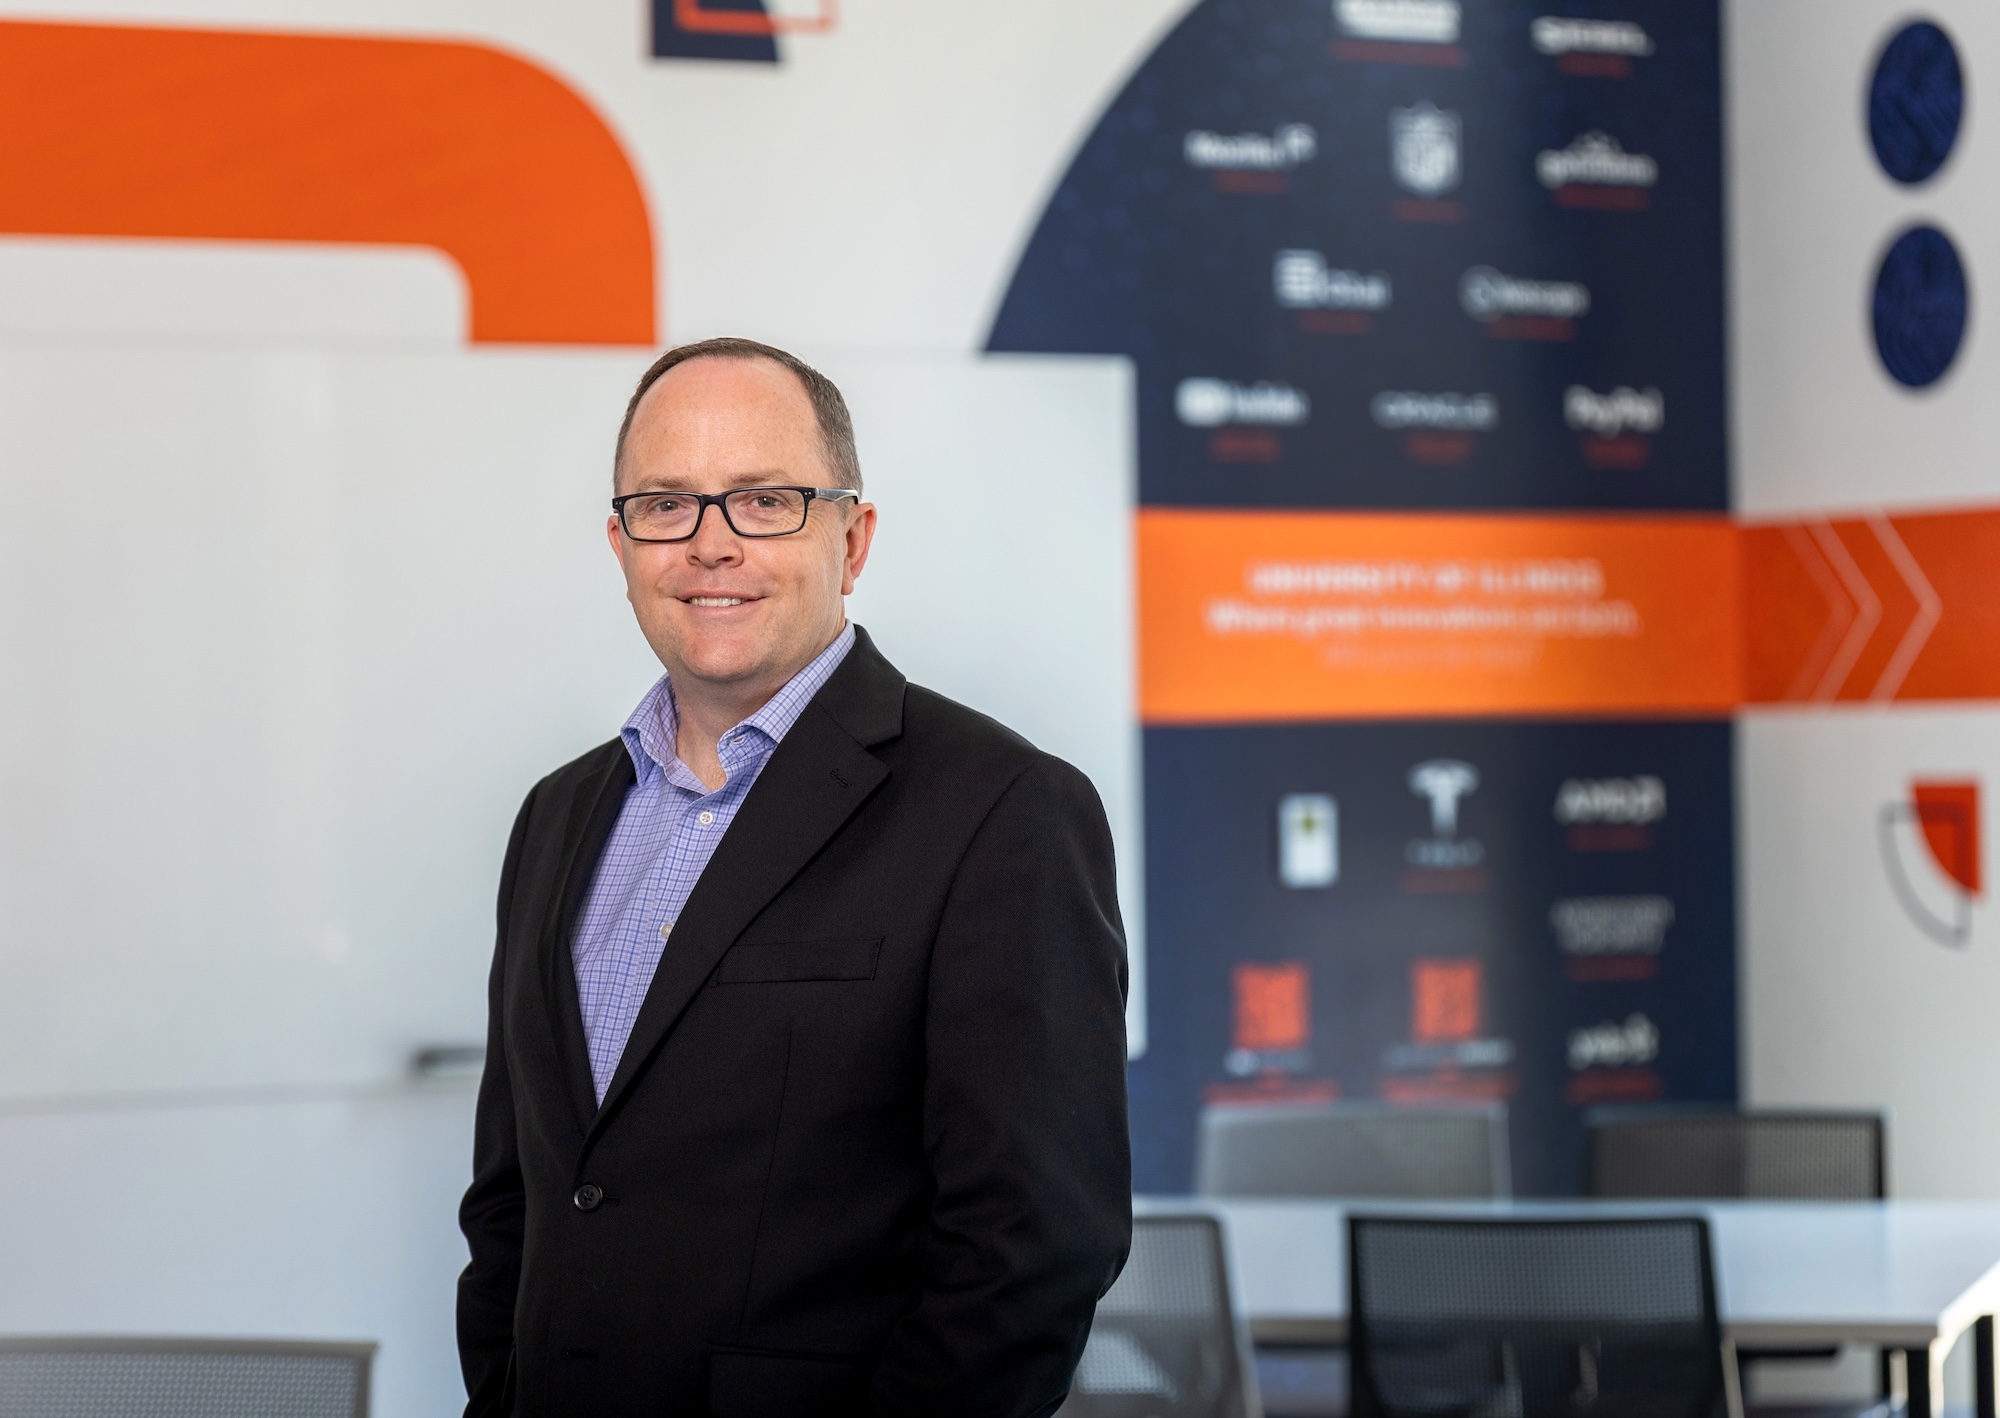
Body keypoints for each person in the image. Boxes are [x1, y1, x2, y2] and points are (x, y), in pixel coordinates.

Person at [456, 337, 1132, 1417]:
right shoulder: (557, 815)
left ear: (851, 538)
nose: (708, 545)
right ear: (621, 543)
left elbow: (1033, 1248)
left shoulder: (1001, 811)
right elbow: (518, 1198)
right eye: (665, 505)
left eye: (763, 500)